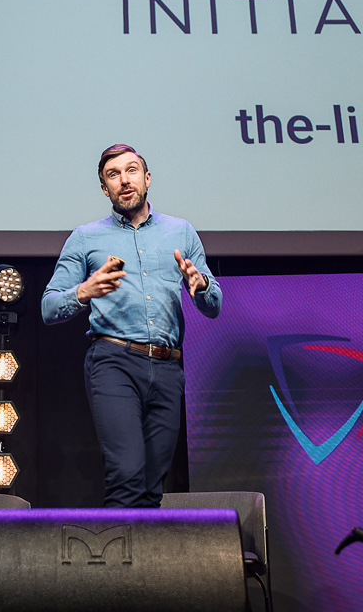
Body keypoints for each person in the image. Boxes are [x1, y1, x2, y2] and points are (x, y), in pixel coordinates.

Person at [41, 143, 221, 508]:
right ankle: (116, 564)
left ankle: (143, 564)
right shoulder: (86, 237)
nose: (124, 180)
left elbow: (214, 303)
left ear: (147, 178)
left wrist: (200, 285)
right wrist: (84, 290)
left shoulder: (182, 232)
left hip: (168, 367)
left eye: (132, 170)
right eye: (113, 175)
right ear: (105, 189)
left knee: (153, 487)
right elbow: (48, 307)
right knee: (127, 475)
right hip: (114, 361)